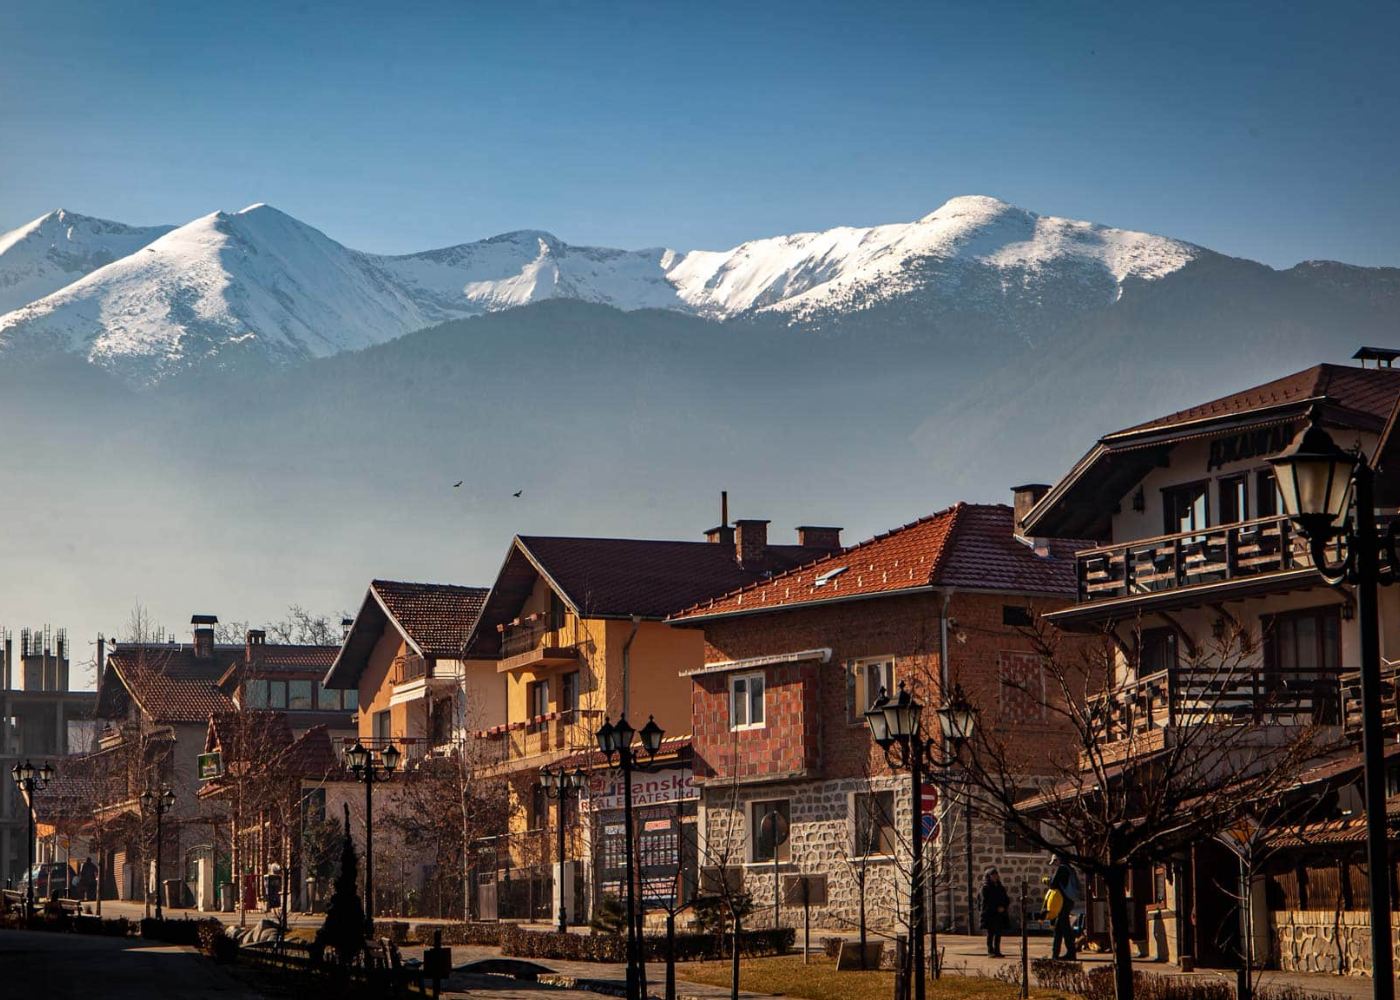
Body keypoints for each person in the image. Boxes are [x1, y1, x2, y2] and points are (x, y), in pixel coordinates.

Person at [1048, 854, 1081, 960]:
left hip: (1062, 901)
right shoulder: (1071, 869)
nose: (1055, 865)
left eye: (1055, 862)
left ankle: (1071, 953)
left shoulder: (1062, 869)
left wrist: (1047, 880)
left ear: (1058, 860)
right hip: (1069, 901)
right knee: (1059, 928)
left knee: (1064, 928)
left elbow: (1053, 884)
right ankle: (1055, 954)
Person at [979, 866, 1011, 957]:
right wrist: (995, 908)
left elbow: (1006, 899)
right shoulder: (985, 888)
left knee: (998, 933)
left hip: (999, 914)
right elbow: (985, 902)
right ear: (989, 876)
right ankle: (990, 951)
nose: (995, 877)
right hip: (990, 914)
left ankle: (997, 950)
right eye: (993, 875)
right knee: (990, 933)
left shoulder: (1000, 887)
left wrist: (1003, 907)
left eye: (996, 875)